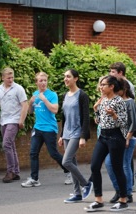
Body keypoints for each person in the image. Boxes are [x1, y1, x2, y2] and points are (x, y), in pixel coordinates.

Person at [84, 75, 129, 212]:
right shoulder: (103, 100)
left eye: (103, 85)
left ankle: (123, 200)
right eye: (101, 85)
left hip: (115, 136)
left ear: (112, 86)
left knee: (117, 168)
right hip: (103, 136)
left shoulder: (119, 101)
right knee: (94, 166)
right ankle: (98, 200)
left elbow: (124, 122)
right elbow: (99, 121)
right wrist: (96, 110)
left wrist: (114, 115)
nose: (101, 87)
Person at [21, 72, 72, 188]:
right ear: (36, 82)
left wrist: (44, 99)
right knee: (33, 153)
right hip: (37, 128)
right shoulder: (34, 94)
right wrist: (30, 103)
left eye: (45, 80)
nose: (43, 83)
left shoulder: (52, 95)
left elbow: (55, 110)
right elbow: (29, 112)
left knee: (53, 153)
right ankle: (34, 179)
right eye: (41, 81)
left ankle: (69, 172)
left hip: (49, 129)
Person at [0, 67, 28, 183]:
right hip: (3, 120)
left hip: (14, 120)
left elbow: (25, 105)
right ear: (2, 78)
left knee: (6, 144)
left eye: (12, 77)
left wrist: (21, 120)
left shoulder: (18, 88)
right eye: (8, 78)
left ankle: (10, 171)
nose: (11, 79)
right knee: (11, 145)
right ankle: (16, 172)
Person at [58, 69, 93, 203]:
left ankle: (86, 184)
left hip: (77, 132)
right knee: (72, 162)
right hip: (67, 132)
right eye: (65, 76)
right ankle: (77, 194)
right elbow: (64, 116)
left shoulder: (82, 95)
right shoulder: (65, 95)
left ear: (76, 78)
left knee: (66, 162)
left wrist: (83, 136)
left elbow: (85, 117)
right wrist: (61, 134)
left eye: (68, 76)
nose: (66, 79)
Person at [104, 78, 136, 204]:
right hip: (116, 138)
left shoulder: (129, 102)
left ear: (123, 89)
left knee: (125, 165)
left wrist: (128, 137)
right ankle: (119, 190)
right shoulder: (114, 101)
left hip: (128, 139)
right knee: (109, 164)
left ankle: (128, 192)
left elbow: (134, 123)